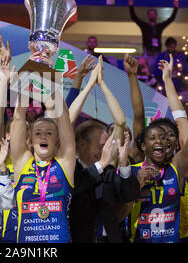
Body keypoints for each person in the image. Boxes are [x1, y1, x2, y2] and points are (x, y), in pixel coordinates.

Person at [128, 63, 188, 243]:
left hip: (187, 236)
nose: (162, 141)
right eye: (155, 138)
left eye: (168, 137)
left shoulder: (182, 167)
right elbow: (138, 115)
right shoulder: (133, 169)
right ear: (144, 145)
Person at [69, 57, 139, 243]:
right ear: (82, 144)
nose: (106, 150)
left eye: (108, 144)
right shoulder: (68, 168)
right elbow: (65, 122)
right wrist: (86, 85)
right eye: (101, 146)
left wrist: (102, 85)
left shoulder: (109, 169)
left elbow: (121, 123)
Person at [10, 84, 76, 243]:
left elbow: (64, 117)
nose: (43, 137)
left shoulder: (64, 164)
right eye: (38, 133)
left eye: (49, 133)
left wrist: (51, 81)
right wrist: (28, 79)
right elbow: (18, 117)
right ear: (31, 141)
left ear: (57, 141)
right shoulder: (22, 163)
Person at [128, 0, 179, 72]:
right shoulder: (144, 26)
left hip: (157, 52)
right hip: (147, 52)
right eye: (150, 14)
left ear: (156, 16)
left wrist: (176, 8)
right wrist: (131, 7)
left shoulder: (159, 27)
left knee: (157, 69)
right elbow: (134, 18)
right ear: (148, 16)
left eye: (153, 14)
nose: (152, 15)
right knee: (147, 69)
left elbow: (170, 19)